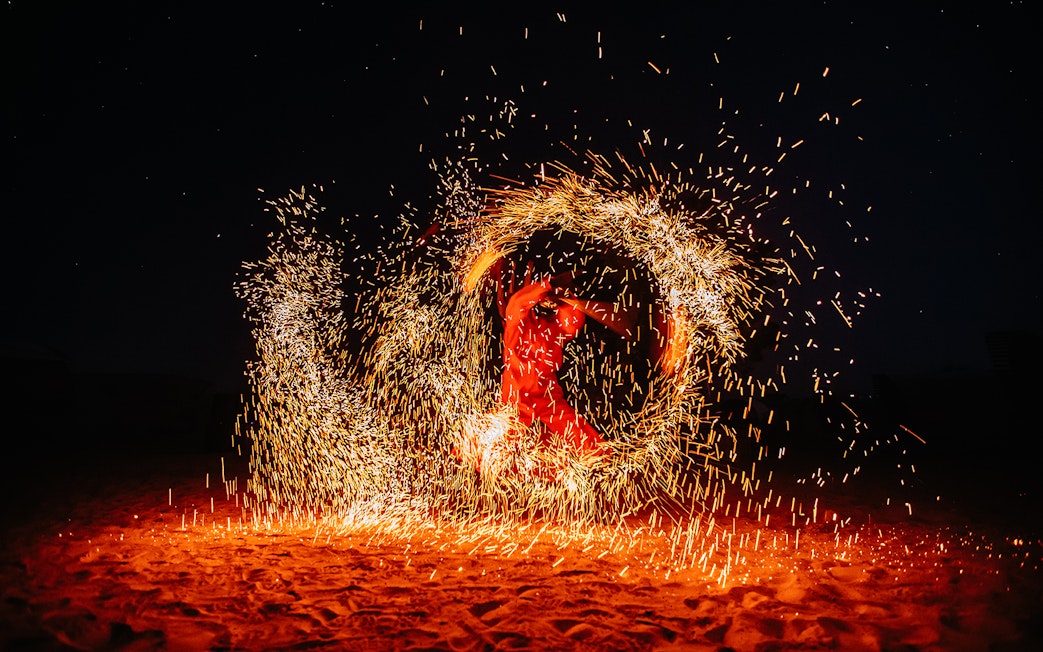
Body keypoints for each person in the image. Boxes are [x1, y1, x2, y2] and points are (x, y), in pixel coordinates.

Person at [499, 268, 608, 459]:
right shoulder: (519, 322)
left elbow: (573, 322)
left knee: (576, 430)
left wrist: (568, 298)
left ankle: (600, 460)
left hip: (546, 394)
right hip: (517, 396)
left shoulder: (555, 329)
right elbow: (518, 302)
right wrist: (547, 285)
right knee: (499, 440)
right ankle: (467, 459)